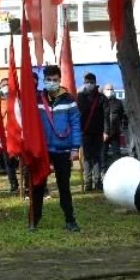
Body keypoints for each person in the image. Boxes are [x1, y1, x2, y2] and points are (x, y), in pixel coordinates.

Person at [32, 65, 81, 232]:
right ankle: (34, 220)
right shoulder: (37, 99)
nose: (51, 83)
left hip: (63, 150)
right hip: (43, 150)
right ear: (43, 81)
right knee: (38, 185)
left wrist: (75, 148)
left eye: (55, 80)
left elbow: (75, 124)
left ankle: (70, 220)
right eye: (48, 80)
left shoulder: (69, 99)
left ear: (59, 80)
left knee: (64, 186)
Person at [77, 72, 106, 192]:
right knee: (87, 158)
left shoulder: (101, 97)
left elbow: (105, 114)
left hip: (98, 132)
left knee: (97, 157)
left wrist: (105, 130)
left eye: (91, 82)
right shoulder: (80, 97)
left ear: (95, 83)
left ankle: (97, 181)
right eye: (87, 82)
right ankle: (88, 181)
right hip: (85, 132)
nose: (89, 84)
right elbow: (79, 113)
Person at [102, 84, 127, 165]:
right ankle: (102, 171)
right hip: (103, 133)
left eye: (111, 89)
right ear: (104, 90)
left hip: (115, 132)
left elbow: (122, 115)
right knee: (102, 154)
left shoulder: (118, 102)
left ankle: (117, 170)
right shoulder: (100, 102)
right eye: (107, 89)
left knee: (116, 154)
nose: (109, 91)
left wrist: (121, 127)